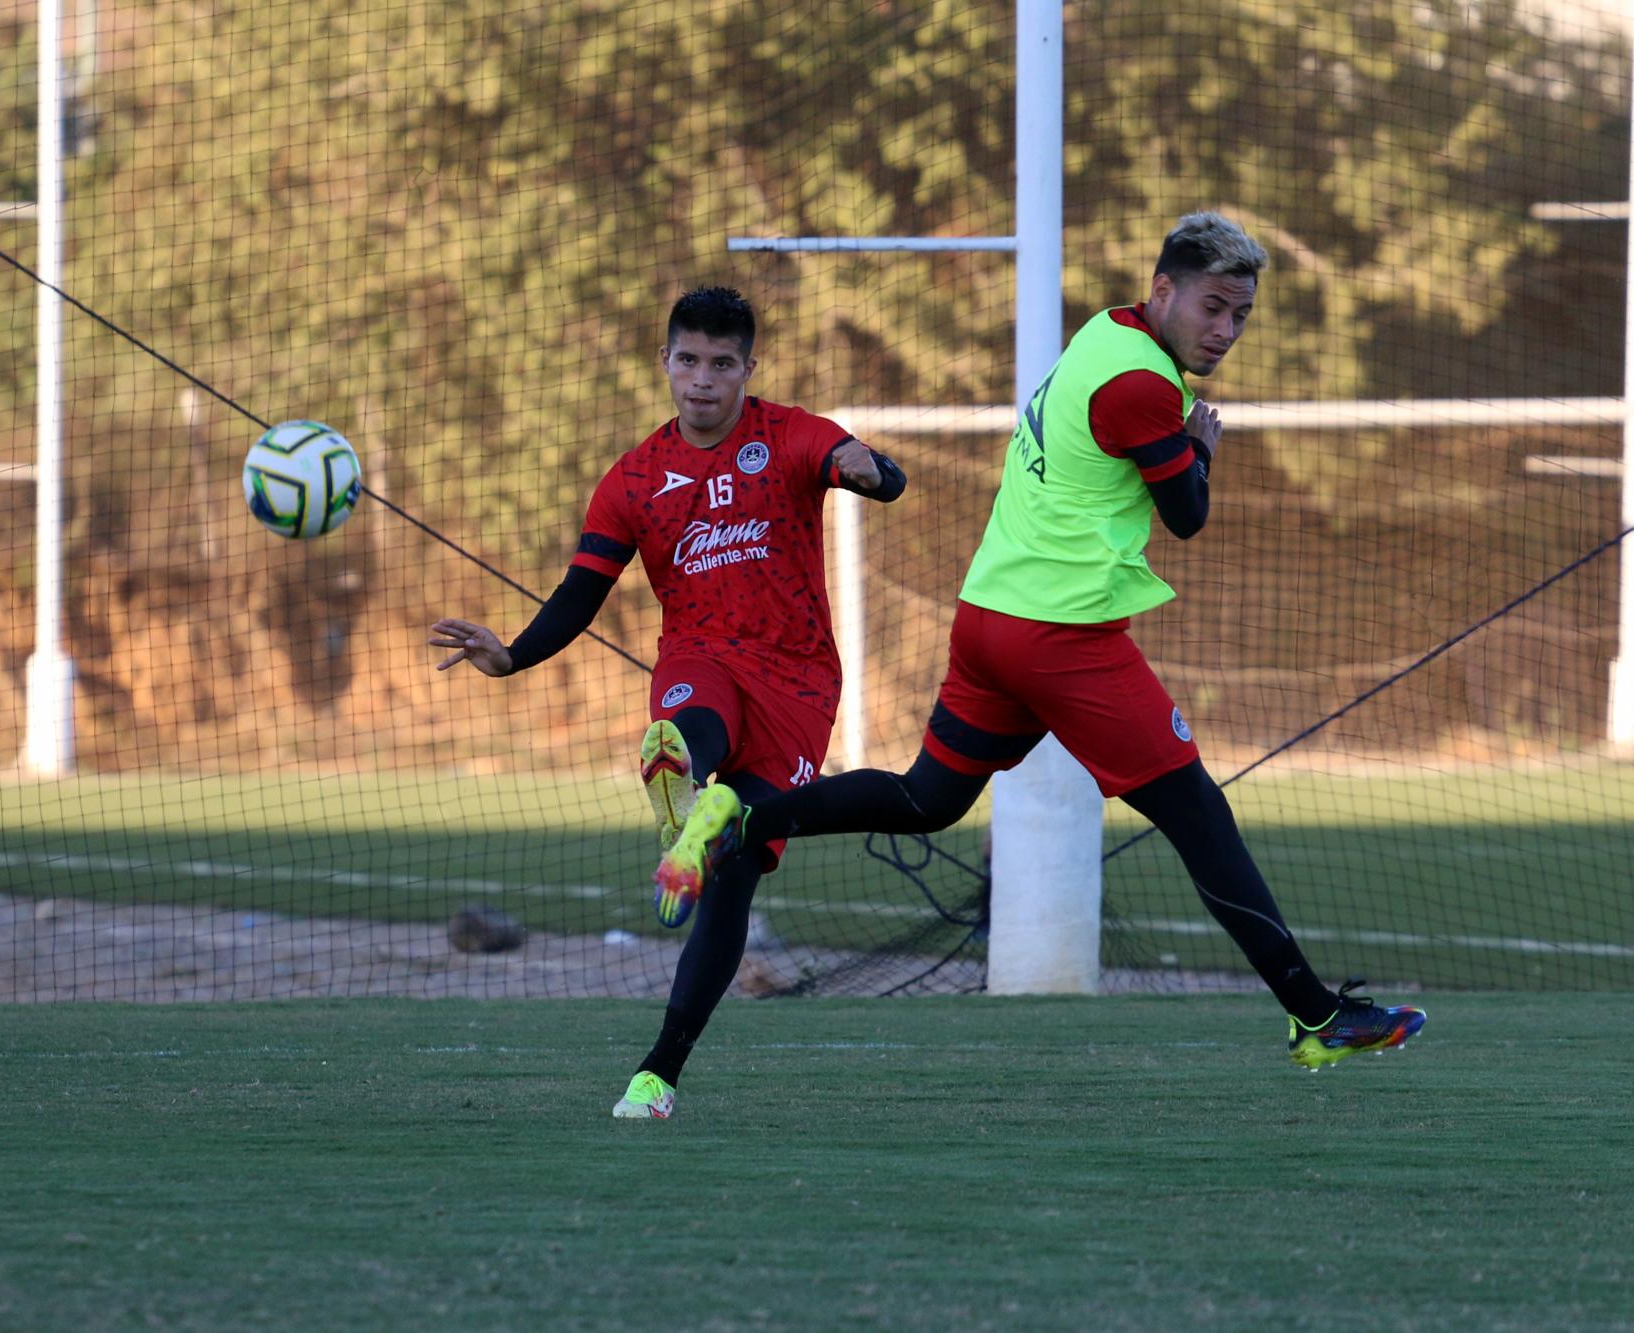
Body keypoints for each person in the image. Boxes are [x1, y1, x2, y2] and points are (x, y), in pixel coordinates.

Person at [655, 214, 1425, 1072]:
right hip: (1060, 638)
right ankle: (1316, 1016)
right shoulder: (1142, 385)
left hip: (991, 617)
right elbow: (1188, 517)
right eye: (1213, 307)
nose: (1225, 330)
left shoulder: (1104, 332)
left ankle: (739, 811)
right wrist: (1202, 451)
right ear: (1163, 290)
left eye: (1240, 315)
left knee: (929, 798)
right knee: (1200, 817)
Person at [429, 286, 908, 1118]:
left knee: (734, 884)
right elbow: (582, 593)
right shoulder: (634, 480)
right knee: (684, 730)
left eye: (723, 364)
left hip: (798, 680)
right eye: (688, 360)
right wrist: (511, 656)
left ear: (748, 369)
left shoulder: (789, 432)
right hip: (702, 657)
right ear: (665, 362)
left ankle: (660, 1067)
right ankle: (688, 793)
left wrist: (874, 472)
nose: (703, 380)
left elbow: (862, 466)